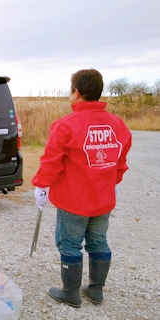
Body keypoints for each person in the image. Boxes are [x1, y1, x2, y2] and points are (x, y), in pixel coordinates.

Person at [32, 69, 132, 307]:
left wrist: (41, 185)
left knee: (69, 243)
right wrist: (115, 182)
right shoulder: (117, 125)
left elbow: (51, 161)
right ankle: (96, 290)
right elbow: (120, 159)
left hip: (74, 201)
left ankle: (71, 292)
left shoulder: (65, 126)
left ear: (75, 92)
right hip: (103, 200)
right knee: (99, 241)